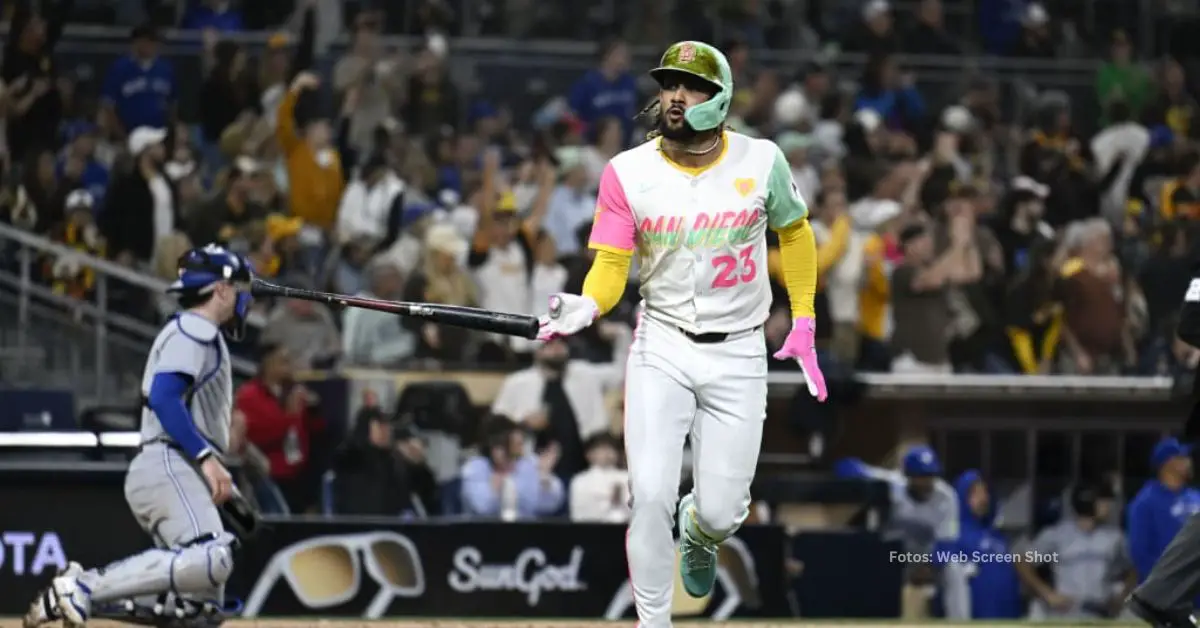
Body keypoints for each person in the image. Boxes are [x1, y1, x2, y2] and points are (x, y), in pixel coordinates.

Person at [536, 40, 827, 628]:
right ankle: (654, 622)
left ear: (719, 99)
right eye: (669, 85)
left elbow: (794, 234)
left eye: (691, 87)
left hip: (740, 348)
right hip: (662, 343)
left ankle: (701, 530)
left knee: (723, 511)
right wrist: (587, 304)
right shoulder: (626, 172)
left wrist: (803, 318)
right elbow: (613, 268)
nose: (675, 96)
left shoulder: (762, 159)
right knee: (648, 494)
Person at [22, 244, 254, 628]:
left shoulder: (195, 332)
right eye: (240, 289)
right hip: (168, 461)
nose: (245, 299)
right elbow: (164, 398)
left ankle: (68, 599)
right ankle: (84, 587)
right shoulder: (195, 328)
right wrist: (207, 461)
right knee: (212, 557)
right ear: (222, 290)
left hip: (175, 464)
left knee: (200, 610)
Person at [1016, 481, 1134, 619]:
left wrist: (1121, 598)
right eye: (1102, 501)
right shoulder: (1057, 535)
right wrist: (1047, 593)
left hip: (1100, 615)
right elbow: (1022, 561)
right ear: (1087, 502)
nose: (1108, 506)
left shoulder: (1115, 537)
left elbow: (1133, 570)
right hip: (1067, 613)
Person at [1125, 437, 1200, 627]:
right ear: (1168, 463)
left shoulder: (1195, 496)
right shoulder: (1146, 501)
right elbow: (1140, 553)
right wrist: (1164, 590)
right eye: (1183, 457)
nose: (1189, 461)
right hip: (1169, 596)